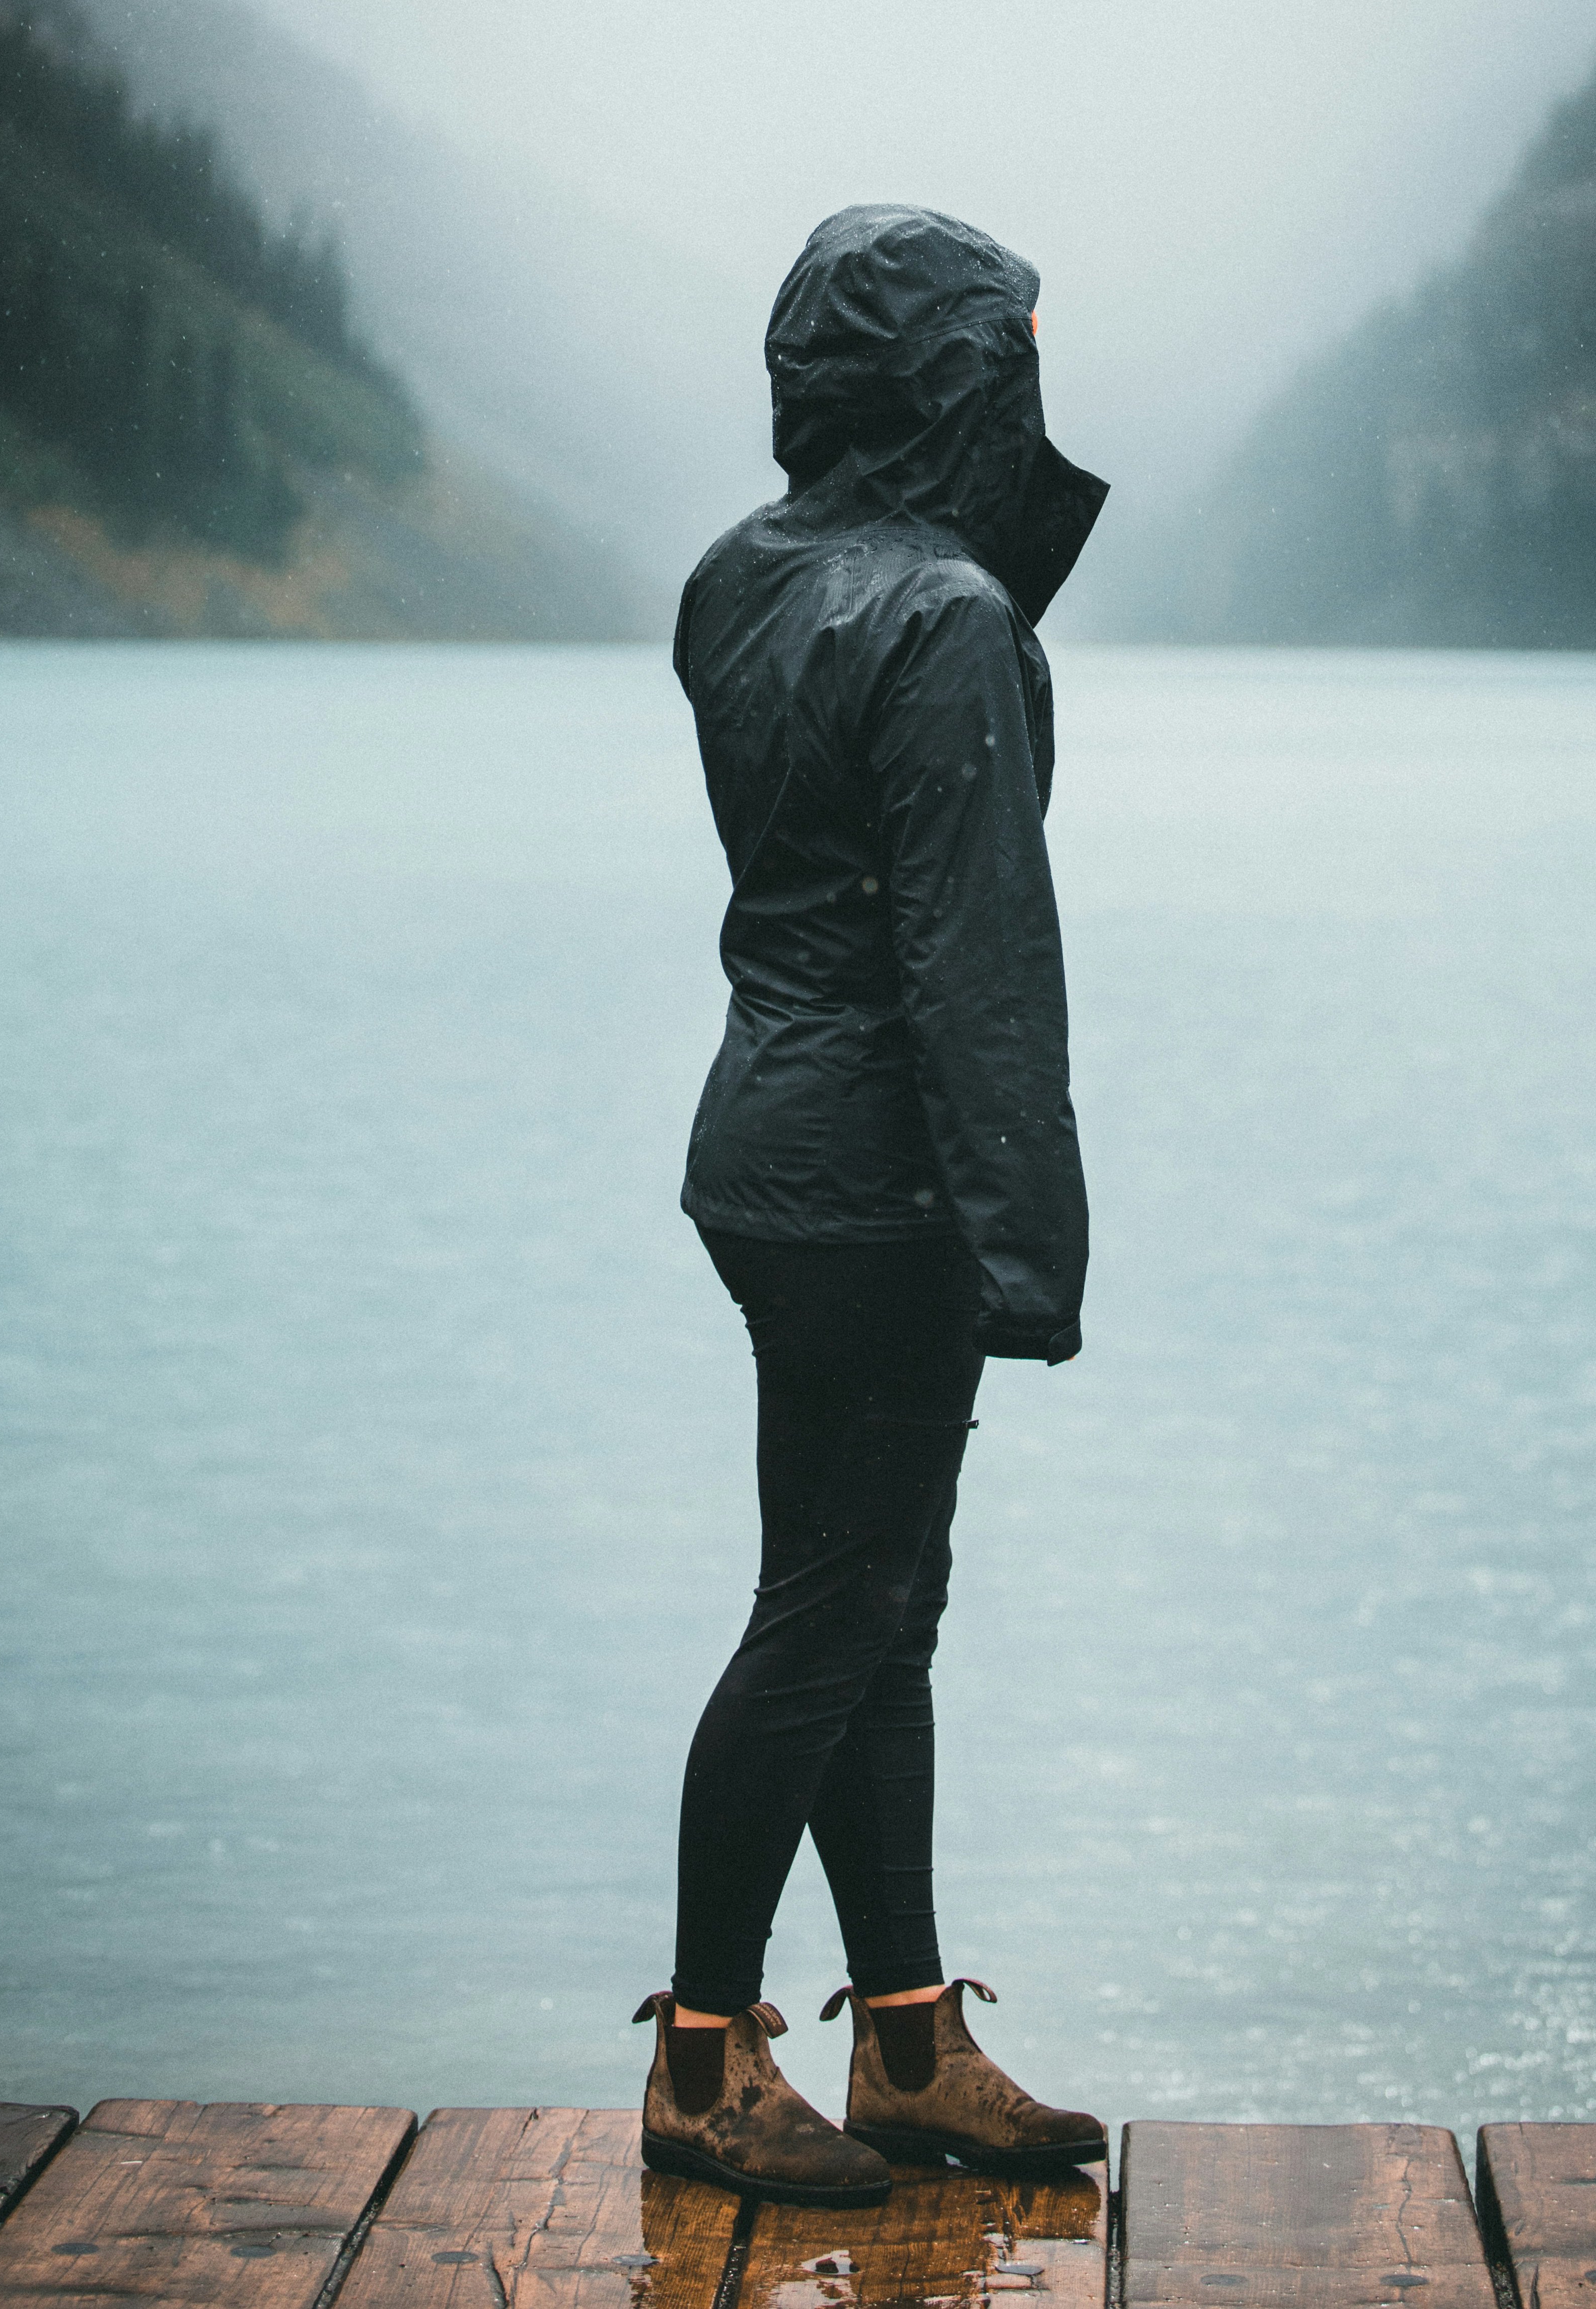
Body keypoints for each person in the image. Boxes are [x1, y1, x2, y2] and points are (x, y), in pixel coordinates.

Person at [633, 204, 1108, 2208]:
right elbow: (975, 959)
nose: (1026, 392)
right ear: (956, 383)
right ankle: (700, 2053)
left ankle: (906, 2038)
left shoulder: (740, 580)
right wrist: (1028, 1251)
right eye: (1006, 361)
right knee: (835, 1608)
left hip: (767, 1147)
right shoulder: (944, 619)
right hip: (881, 1186)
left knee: (867, 1606)